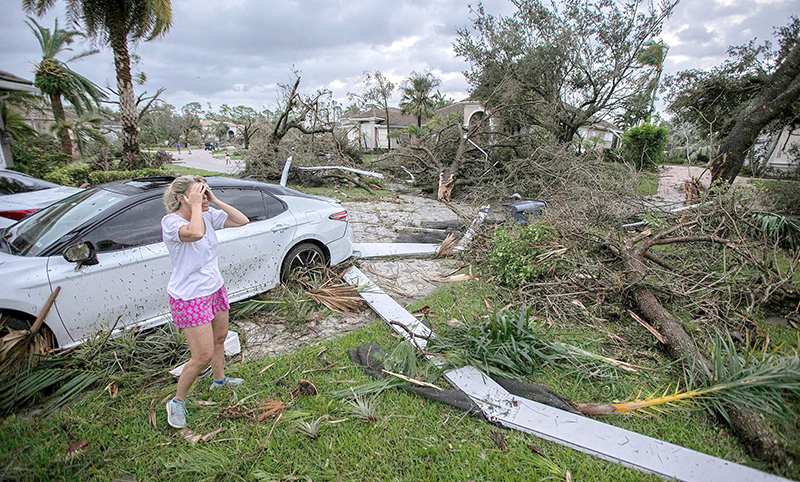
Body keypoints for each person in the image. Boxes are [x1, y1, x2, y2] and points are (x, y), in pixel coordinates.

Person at [161, 175, 249, 429]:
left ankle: (219, 380)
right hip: (190, 297)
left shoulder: (208, 215)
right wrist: (197, 206)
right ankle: (177, 402)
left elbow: (241, 220)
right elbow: (195, 233)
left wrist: (214, 200)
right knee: (201, 356)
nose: (203, 195)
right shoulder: (171, 222)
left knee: (220, 338)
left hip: (213, 288)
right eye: (198, 192)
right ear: (181, 198)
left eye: (204, 191)